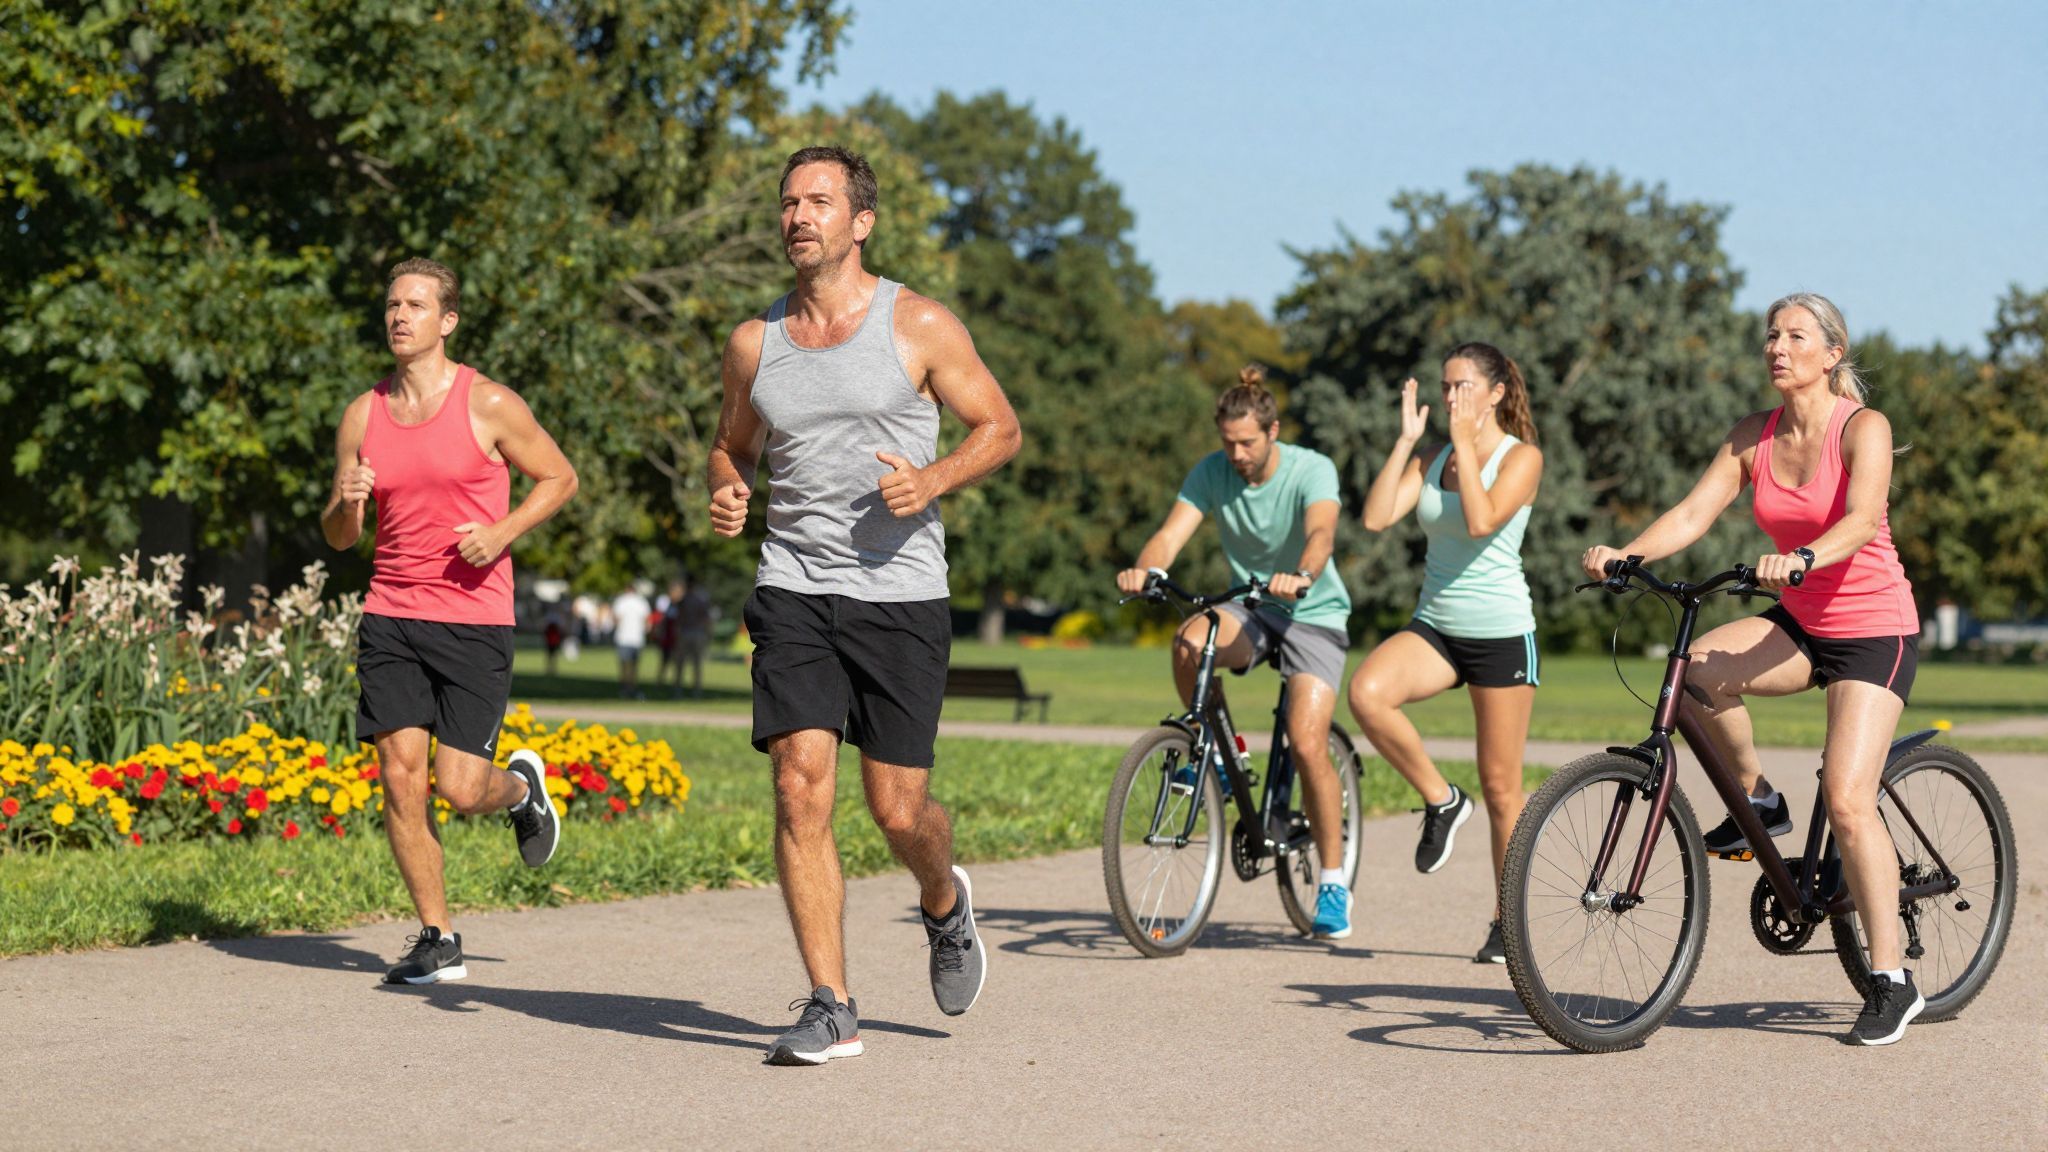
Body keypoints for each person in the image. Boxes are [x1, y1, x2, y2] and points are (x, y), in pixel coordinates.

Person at [708, 145, 1022, 1066]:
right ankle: (831, 1004)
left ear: (862, 222)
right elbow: (732, 446)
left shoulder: (917, 323)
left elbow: (1000, 427)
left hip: (900, 596)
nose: (798, 216)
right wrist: (727, 485)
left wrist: (933, 479)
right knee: (798, 785)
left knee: (898, 812)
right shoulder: (755, 343)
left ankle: (943, 901)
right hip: (794, 586)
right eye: (788, 202)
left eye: (819, 201)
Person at [1582, 292, 1923, 1046]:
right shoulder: (1752, 436)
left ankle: (1893, 979)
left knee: (1848, 798)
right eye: (1772, 335)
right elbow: (1692, 513)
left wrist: (1802, 556)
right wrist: (1627, 554)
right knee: (1699, 670)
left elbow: (1863, 519)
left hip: (1875, 628)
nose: (1777, 347)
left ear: (1831, 354)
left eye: (1796, 336)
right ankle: (1760, 801)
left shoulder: (1862, 427)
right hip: (1801, 621)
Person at [321, 257, 577, 985]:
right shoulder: (363, 414)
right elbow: (340, 536)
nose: (400, 316)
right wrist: (346, 501)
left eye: (416, 305)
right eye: (392, 305)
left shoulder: (488, 403)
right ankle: (439, 938)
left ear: (448, 321)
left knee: (460, 789)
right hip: (391, 614)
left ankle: (521, 790)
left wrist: (501, 533)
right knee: (400, 778)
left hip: (472, 620)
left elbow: (560, 477)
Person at [1115, 364, 1355, 939]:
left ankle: (1332, 881)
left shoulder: (1311, 469)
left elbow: (1321, 533)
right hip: (1252, 605)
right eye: (1228, 443)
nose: (1237, 454)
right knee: (1189, 639)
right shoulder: (1212, 472)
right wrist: (1146, 569)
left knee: (1306, 742)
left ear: (1273, 432)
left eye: (1247, 443)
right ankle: (1220, 757)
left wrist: (1302, 574)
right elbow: (1170, 535)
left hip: (1313, 609)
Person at [1348, 342, 1544, 965]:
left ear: (1495, 394)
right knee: (1367, 694)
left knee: (1502, 789)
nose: (1452, 396)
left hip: (1501, 634)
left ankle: (1507, 922)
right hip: (1436, 626)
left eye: (1463, 386)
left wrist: (1463, 442)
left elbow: (1483, 522)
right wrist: (1408, 442)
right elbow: (1376, 517)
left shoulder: (1522, 458)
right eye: (1445, 386)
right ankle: (1441, 799)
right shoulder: (1432, 457)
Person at [670, 574, 715, 699]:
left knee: (681, 663)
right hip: (697, 633)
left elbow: (679, 618)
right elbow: (706, 618)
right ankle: (696, 691)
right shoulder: (700, 599)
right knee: (696, 664)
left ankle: (679, 691)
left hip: (686, 632)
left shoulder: (684, 600)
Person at [612, 581, 651, 699]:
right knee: (634, 666)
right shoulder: (642, 602)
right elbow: (647, 621)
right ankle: (632, 688)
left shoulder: (621, 601)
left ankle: (625, 689)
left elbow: (616, 619)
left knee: (624, 665)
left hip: (623, 638)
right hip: (637, 638)